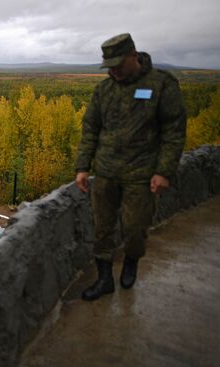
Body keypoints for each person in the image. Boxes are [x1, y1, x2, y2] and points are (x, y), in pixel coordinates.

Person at [75, 33, 187, 301]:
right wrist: (82, 166)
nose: (113, 71)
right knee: (102, 228)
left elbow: (174, 131)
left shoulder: (161, 84)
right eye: (109, 66)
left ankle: (131, 262)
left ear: (133, 55)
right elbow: (91, 128)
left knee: (135, 228)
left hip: (141, 175)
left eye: (118, 64)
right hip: (106, 172)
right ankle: (104, 279)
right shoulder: (104, 90)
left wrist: (164, 171)